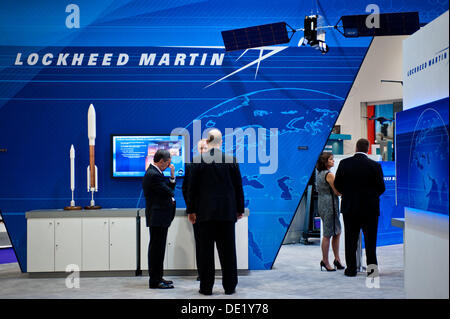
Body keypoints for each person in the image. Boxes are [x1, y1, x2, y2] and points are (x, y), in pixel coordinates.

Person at [186, 129, 245, 295]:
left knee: (205, 252)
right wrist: (239, 209)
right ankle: (230, 286)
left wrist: (191, 210)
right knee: (228, 251)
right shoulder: (231, 160)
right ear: (220, 141)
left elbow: (192, 189)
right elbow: (238, 188)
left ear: (208, 141)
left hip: (204, 214)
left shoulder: (197, 160)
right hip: (226, 214)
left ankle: (206, 288)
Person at [334, 138, 385, 277]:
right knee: (370, 241)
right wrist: (370, 197)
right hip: (370, 210)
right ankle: (372, 271)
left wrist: (349, 194)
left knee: (350, 240)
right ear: (367, 149)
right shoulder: (375, 166)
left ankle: (351, 270)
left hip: (350, 208)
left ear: (356, 148)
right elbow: (381, 187)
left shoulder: (344, 164)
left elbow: (337, 184)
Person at [142, 149, 176, 289]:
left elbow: (168, 188)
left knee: (159, 249)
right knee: (157, 249)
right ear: (161, 161)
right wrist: (170, 190)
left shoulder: (156, 173)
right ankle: (155, 281)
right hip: (158, 217)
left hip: (160, 217)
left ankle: (158, 277)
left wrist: (172, 175)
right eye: (168, 163)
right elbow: (168, 191)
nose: (169, 166)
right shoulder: (153, 174)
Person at [182, 138, 208, 281]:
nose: (204, 150)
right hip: (198, 213)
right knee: (201, 244)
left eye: (206, 148)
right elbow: (186, 189)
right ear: (198, 150)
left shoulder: (222, 165)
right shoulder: (191, 166)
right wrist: (191, 209)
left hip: (217, 214)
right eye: (201, 148)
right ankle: (202, 273)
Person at [315, 152, 344, 272]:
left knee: (336, 232)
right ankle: (325, 261)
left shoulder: (319, 173)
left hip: (322, 203)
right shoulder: (330, 175)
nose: (333, 161)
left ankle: (336, 259)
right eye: (331, 159)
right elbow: (337, 192)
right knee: (328, 234)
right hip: (330, 204)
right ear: (325, 162)